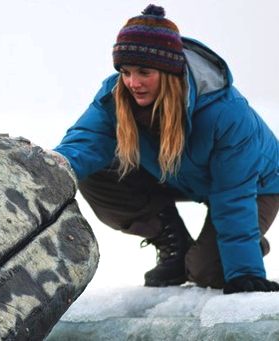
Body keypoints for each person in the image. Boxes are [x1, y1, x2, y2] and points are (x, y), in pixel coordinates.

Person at [53, 4, 279, 294]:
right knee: (95, 170)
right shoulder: (116, 96)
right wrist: (53, 166)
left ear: (169, 72)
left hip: (255, 185)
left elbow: (233, 196)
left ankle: (240, 247)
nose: (133, 83)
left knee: (205, 271)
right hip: (183, 174)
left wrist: (244, 271)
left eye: (144, 72)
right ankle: (173, 241)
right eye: (125, 71)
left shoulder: (225, 113)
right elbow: (86, 140)